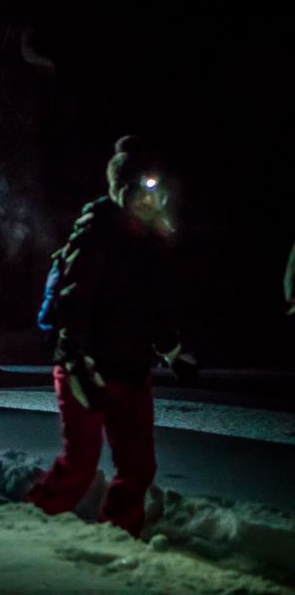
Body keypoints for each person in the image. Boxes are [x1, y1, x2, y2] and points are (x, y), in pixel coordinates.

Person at [27, 135, 192, 537]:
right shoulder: (95, 233)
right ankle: (31, 528)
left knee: (138, 467)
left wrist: (173, 350)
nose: (148, 202)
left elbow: (153, 308)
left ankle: (119, 536)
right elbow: (71, 303)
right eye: (139, 192)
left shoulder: (150, 244)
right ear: (122, 190)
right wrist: (76, 360)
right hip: (87, 367)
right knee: (81, 463)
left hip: (130, 369)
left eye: (155, 194)